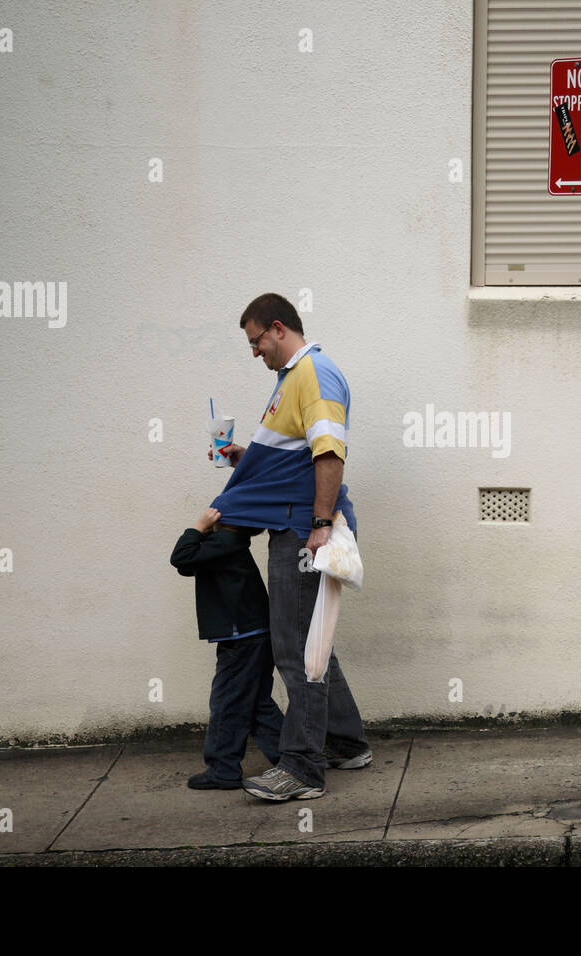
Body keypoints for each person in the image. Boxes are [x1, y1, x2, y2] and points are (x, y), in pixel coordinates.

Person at [209, 292, 371, 801]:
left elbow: (329, 451)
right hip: (298, 524)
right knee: (311, 641)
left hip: (303, 530)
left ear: (278, 328)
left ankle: (301, 767)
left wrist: (320, 522)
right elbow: (298, 455)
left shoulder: (314, 374)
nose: (254, 352)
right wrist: (247, 460)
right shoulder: (293, 379)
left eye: (256, 341)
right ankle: (346, 742)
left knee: (295, 648)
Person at [169, 506, 283, 789]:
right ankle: (293, 757)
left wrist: (197, 526)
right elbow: (187, 565)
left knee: (227, 702)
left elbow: (180, 557)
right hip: (255, 636)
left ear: (226, 521)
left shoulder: (225, 543)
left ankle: (223, 769)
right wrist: (204, 533)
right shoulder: (226, 545)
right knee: (256, 703)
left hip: (241, 640)